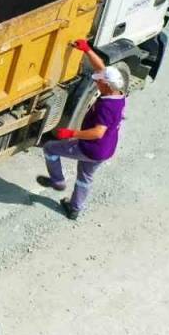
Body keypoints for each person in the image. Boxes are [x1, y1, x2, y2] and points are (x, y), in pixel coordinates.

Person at [37, 39, 127, 220]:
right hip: (106, 149)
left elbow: (98, 132)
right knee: (85, 177)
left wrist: (72, 134)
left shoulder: (106, 106)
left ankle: (58, 181)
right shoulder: (118, 93)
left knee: (50, 149)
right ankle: (74, 208)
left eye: (100, 83)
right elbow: (102, 69)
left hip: (91, 148)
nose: (97, 84)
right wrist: (87, 50)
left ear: (107, 86)